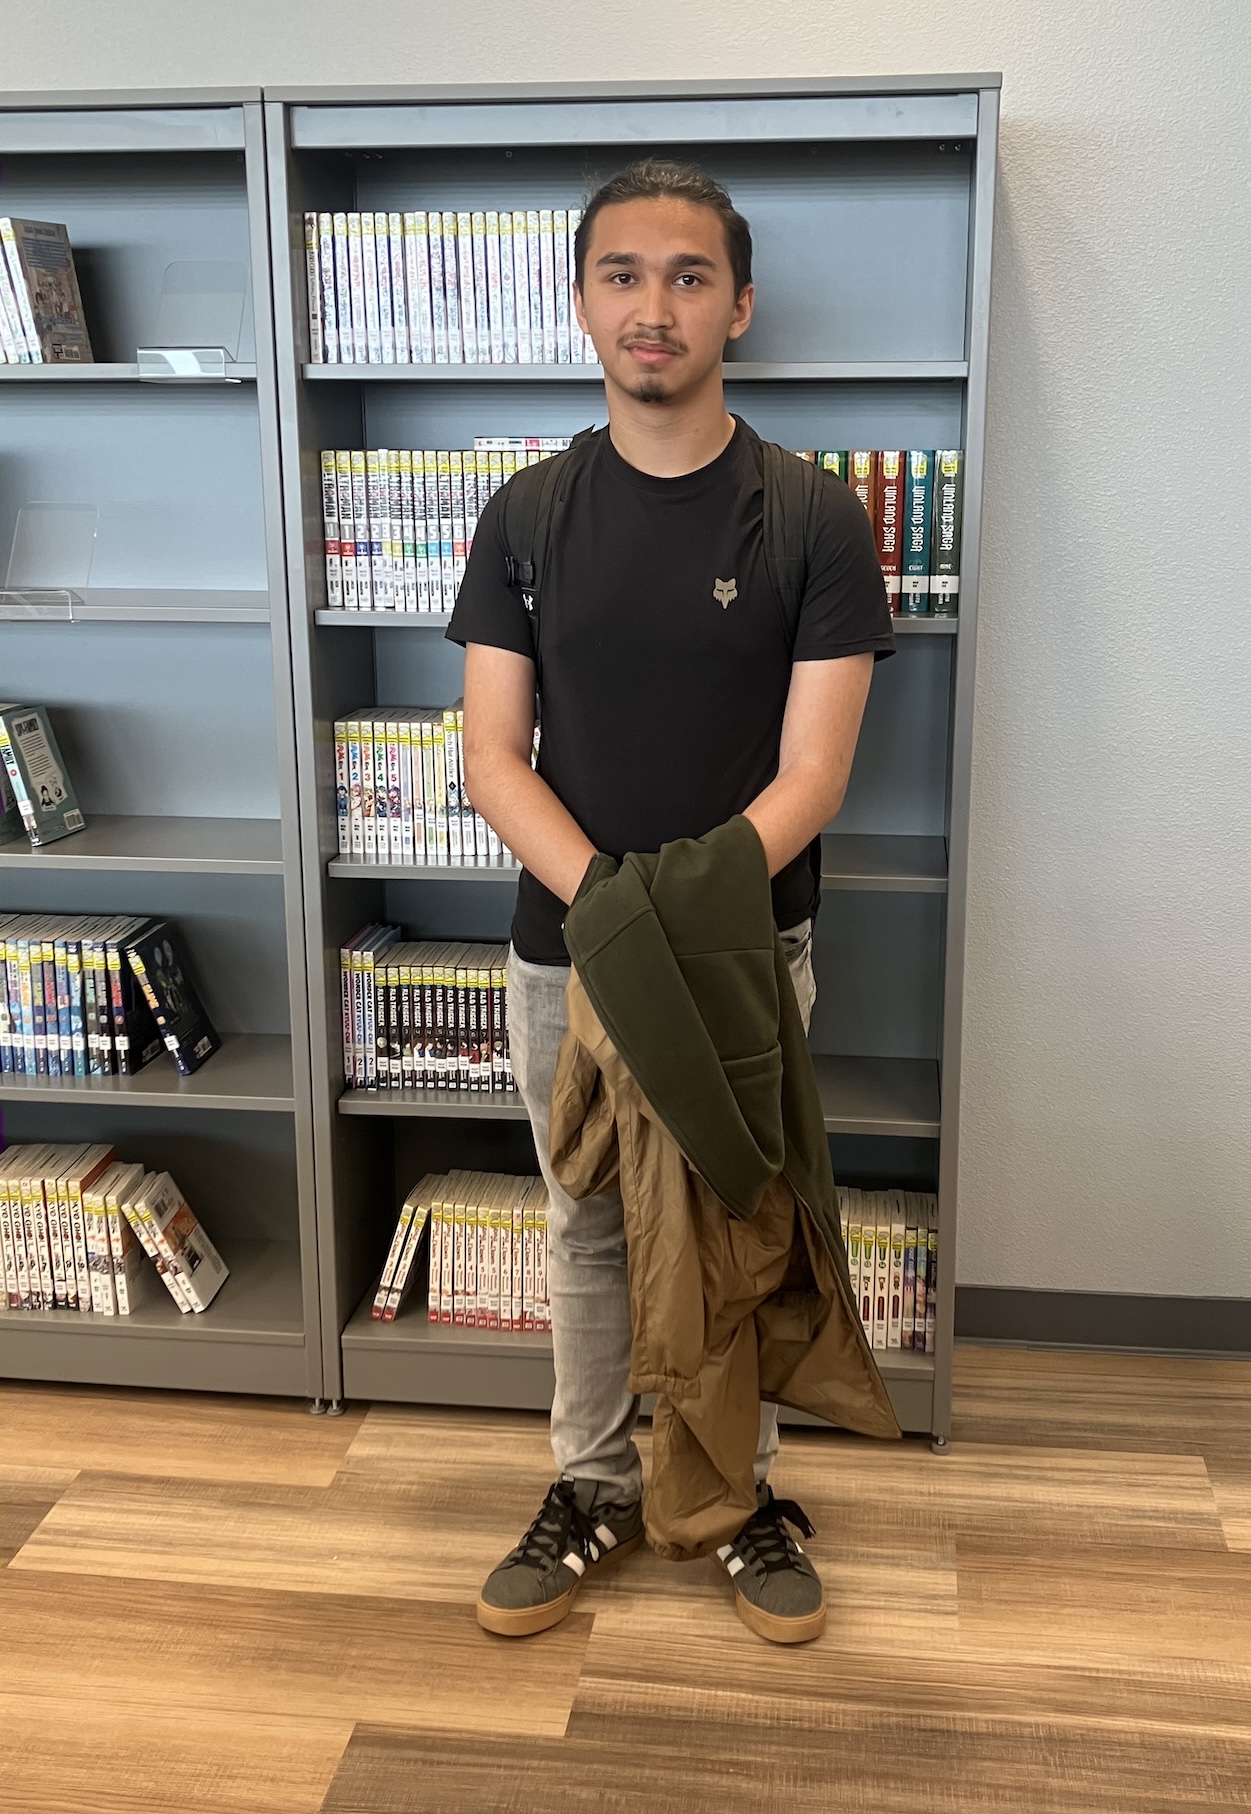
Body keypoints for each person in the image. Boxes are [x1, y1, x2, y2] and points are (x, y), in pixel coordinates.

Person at [448, 158, 894, 1643]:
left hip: (746, 953)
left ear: (739, 307)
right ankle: (589, 1483)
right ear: (581, 302)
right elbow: (490, 760)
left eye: (688, 276)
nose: (655, 306)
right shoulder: (521, 515)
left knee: (739, 1219)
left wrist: (675, 919)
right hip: (561, 953)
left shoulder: (814, 519)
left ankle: (732, 1494)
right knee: (583, 1223)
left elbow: (813, 776)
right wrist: (615, 914)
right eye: (624, 274)